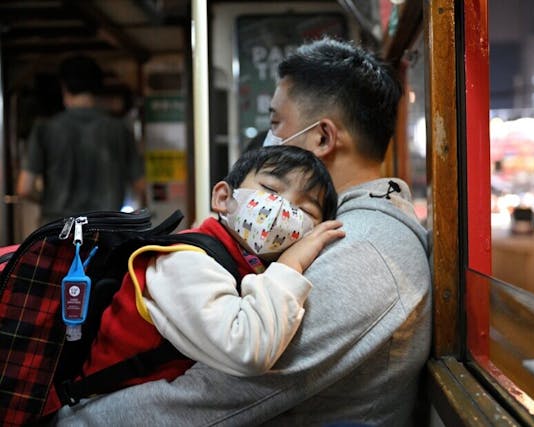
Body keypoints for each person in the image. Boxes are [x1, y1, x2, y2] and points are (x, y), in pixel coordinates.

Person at [56, 37, 431, 426]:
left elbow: (214, 397)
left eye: (275, 123)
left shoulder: (364, 252)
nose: (268, 139)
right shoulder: (349, 229)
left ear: (321, 137)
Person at [45, 145, 343, 415]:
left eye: (304, 210)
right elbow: (247, 350)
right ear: (224, 198)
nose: (283, 210)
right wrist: (292, 264)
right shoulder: (185, 260)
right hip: (100, 414)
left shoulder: (246, 265)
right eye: (270, 189)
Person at [16, 54, 146, 225]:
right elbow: (140, 185)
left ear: (64, 87)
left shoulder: (45, 129)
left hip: (57, 229)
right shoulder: (120, 129)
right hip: (107, 229)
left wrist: (50, 201)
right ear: (99, 87)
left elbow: (24, 188)